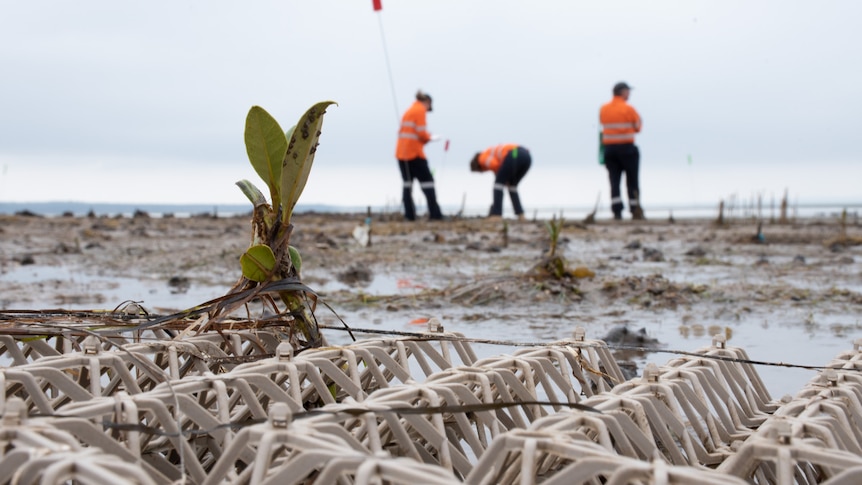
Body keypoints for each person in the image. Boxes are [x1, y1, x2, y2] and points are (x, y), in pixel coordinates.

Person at [599, 81, 645, 220]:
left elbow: (602, 124)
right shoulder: (628, 109)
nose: (629, 94)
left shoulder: (604, 109)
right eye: (628, 91)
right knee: (632, 180)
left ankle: (617, 211)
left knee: (614, 180)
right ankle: (635, 209)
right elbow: (638, 127)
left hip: (610, 150)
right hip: (627, 149)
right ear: (623, 92)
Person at [396, 90, 443, 221]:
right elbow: (421, 134)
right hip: (415, 154)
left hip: (401, 154)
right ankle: (435, 215)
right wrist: (430, 138)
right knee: (428, 183)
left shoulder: (409, 110)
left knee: (407, 185)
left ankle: (409, 216)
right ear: (427, 103)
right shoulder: (420, 110)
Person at [470, 144, 532, 220]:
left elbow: (496, 165)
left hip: (514, 154)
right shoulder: (488, 153)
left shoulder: (481, 158)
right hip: (526, 156)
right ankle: (521, 215)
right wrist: (502, 177)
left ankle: (496, 214)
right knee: (512, 186)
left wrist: (501, 178)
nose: (482, 172)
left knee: (498, 185)